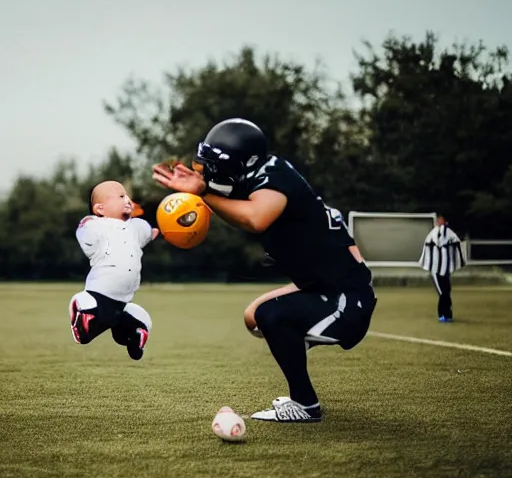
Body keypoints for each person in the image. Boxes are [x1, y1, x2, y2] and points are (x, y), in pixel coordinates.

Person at [152, 118, 377, 422]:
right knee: (253, 317)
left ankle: (305, 404)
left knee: (271, 316)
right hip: (323, 283)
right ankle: (297, 340)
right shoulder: (256, 174)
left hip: (346, 299)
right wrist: (199, 188)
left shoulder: (274, 177)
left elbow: (256, 217)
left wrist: (203, 194)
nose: (211, 171)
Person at [69, 180, 159, 360]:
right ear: (100, 209)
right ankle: (84, 312)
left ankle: (135, 338)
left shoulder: (135, 227)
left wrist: (172, 226)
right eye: (120, 196)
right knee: (92, 312)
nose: (127, 200)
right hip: (100, 292)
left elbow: (153, 231)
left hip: (124, 299)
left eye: (127, 196)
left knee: (142, 319)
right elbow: (85, 232)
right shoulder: (96, 226)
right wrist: (90, 223)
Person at [419, 214, 466, 322]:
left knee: (447, 291)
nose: (439, 222)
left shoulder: (449, 233)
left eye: (441, 220)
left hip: (446, 269)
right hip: (435, 270)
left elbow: (455, 244)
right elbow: (432, 243)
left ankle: (448, 313)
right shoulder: (433, 233)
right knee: (442, 293)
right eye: (438, 220)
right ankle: (442, 314)